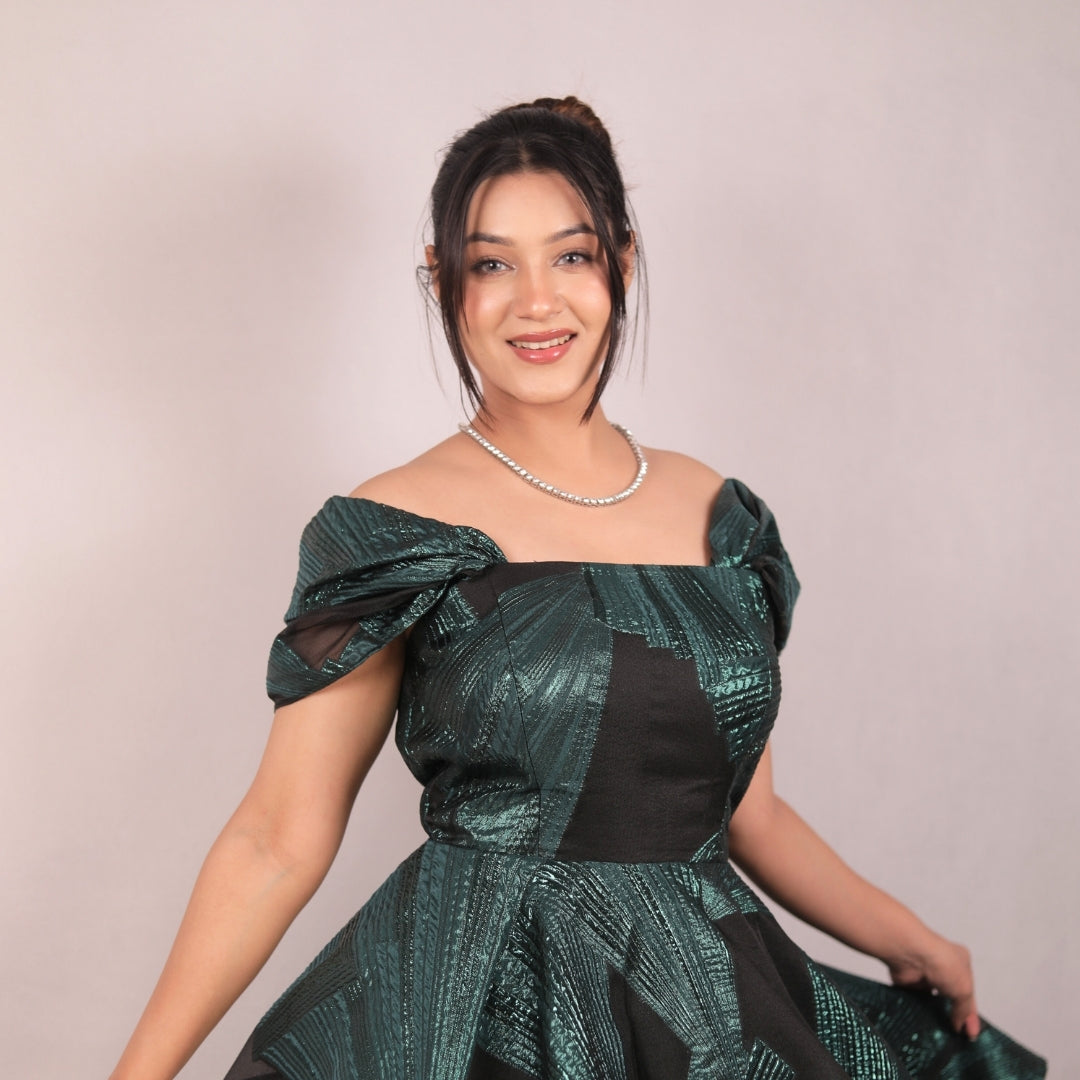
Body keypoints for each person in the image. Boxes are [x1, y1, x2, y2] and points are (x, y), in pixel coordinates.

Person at [110, 97, 1046, 1080]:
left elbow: (746, 811)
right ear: (443, 279)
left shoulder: (722, 521)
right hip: (477, 1019)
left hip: (696, 1010)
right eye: (491, 265)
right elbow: (276, 839)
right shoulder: (390, 532)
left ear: (622, 265)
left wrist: (907, 936)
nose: (536, 302)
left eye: (571, 256)